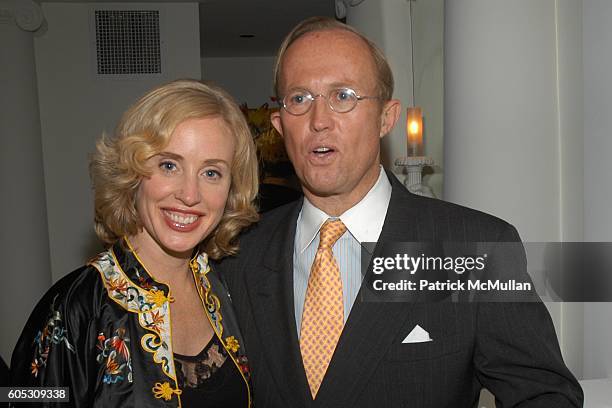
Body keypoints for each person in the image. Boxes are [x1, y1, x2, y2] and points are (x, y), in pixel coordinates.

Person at [214, 17, 584, 407]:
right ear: (279, 123)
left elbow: (546, 395)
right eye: (299, 99)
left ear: (386, 118)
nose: (318, 121)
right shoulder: (238, 253)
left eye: (343, 96)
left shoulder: (474, 249)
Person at [10, 79, 259, 407]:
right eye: (169, 165)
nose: (189, 194)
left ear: (231, 189)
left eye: (211, 173)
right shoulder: (76, 308)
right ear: (132, 172)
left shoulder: (227, 286)